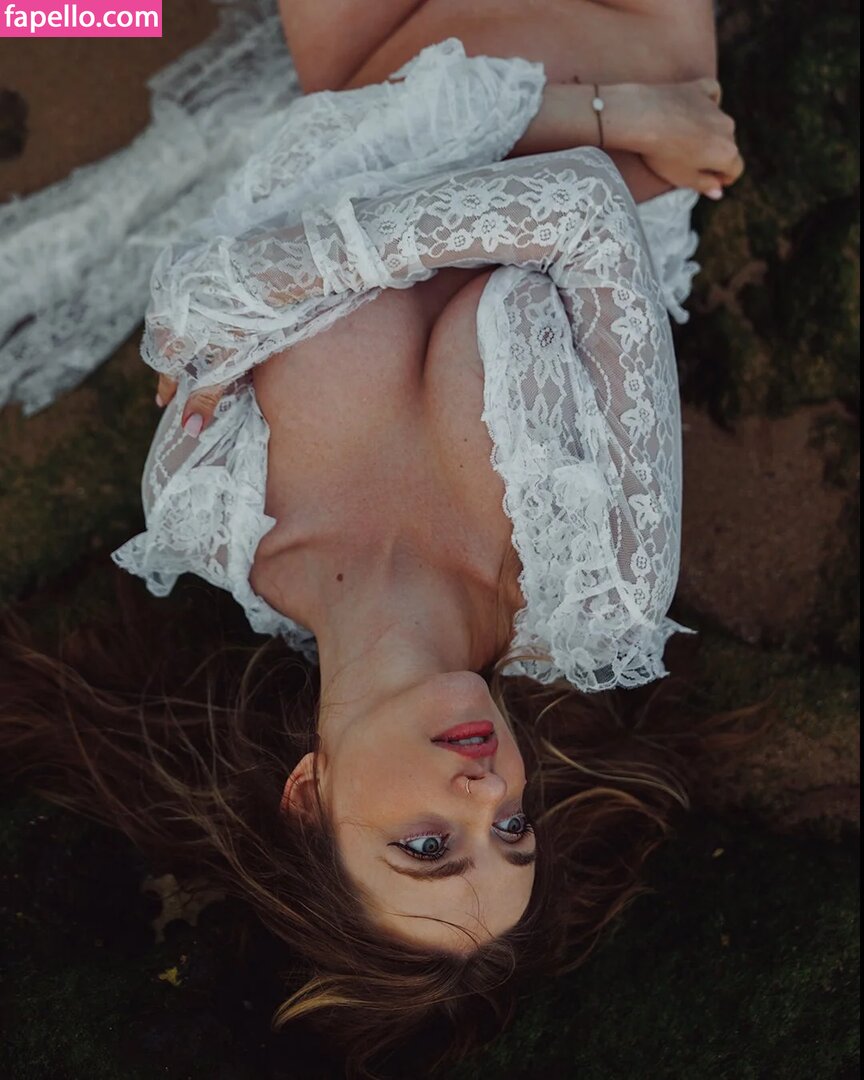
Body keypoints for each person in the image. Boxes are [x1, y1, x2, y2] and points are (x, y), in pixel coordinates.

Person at [1, 1, 744, 1073]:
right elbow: (586, 206)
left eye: (428, 848)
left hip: (364, 68)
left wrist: (606, 120)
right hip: (603, 24)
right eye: (515, 833)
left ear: (310, 800)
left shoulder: (213, 515)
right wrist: (604, 113)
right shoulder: (600, 595)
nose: (489, 797)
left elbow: (205, 282)